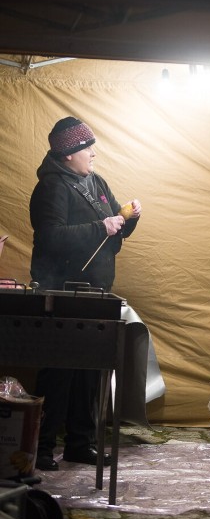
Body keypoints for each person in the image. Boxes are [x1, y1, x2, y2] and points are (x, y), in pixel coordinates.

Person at [30, 116, 142, 471]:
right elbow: (50, 236)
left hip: (96, 292)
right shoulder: (52, 187)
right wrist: (100, 226)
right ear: (68, 155)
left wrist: (128, 219)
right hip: (61, 290)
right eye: (86, 148)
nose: (92, 153)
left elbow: (113, 230)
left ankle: (81, 443)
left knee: (89, 372)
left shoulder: (96, 182)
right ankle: (42, 447)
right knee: (58, 371)